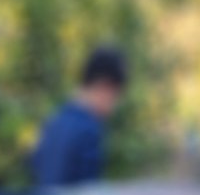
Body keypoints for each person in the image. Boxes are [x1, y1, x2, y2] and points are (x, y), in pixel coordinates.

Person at [31, 45, 128, 186]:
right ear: (105, 86)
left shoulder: (54, 121)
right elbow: (88, 194)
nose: (115, 106)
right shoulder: (88, 129)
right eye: (116, 96)